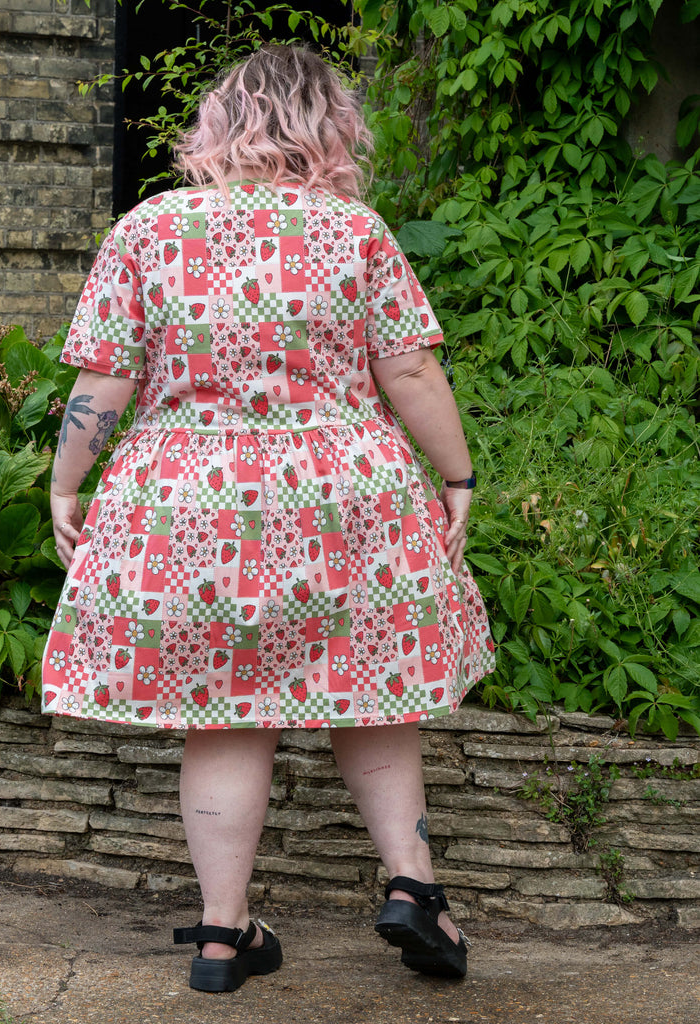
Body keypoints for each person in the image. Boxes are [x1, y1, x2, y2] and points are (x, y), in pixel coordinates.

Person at [42, 44, 495, 993]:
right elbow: (407, 370)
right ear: (329, 127)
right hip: (343, 500)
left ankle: (221, 937)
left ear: (217, 124)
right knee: (369, 688)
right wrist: (454, 475)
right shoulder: (352, 231)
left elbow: (105, 381)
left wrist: (65, 484)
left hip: (189, 508)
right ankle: (412, 887)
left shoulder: (150, 228)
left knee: (222, 712)